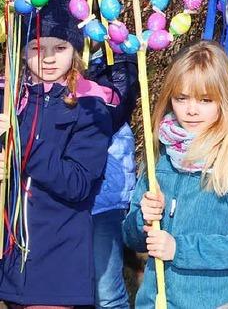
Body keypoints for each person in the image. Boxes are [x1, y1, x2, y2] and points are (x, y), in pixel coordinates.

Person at [122, 41, 228, 307]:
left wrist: (180, 249)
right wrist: (142, 218)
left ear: (223, 101)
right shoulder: (160, 154)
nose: (191, 110)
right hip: (154, 301)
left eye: (205, 100)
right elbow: (132, 238)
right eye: (181, 98)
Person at [0, 0, 116, 307]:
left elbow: (77, 183)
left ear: (75, 51)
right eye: (37, 47)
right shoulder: (8, 100)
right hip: (9, 250)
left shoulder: (89, 107)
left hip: (56, 254)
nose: (48, 58)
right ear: (22, 52)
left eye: (60, 48)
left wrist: (24, 148)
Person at [87, 48, 139, 309]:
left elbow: (111, 112)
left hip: (105, 198)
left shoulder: (117, 58)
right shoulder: (47, 58)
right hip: (61, 199)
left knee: (106, 290)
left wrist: (81, 81)